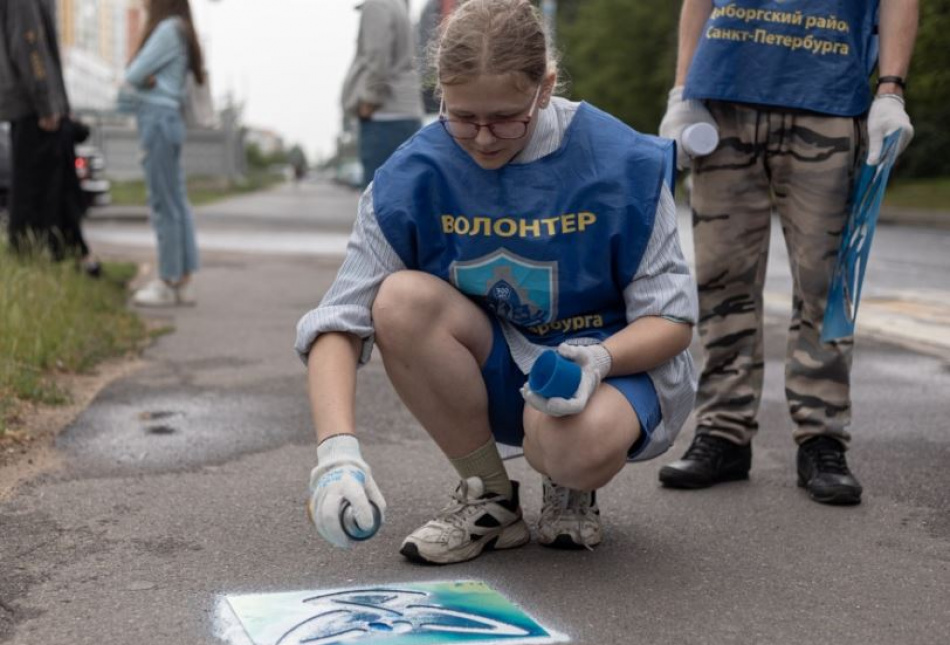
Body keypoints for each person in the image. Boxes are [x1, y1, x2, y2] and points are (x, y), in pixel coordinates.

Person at [296, 0, 697, 565]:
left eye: (507, 118)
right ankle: (489, 500)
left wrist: (598, 362)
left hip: (612, 369)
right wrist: (336, 455)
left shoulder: (623, 163)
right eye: (461, 118)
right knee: (399, 301)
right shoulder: (410, 177)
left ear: (546, 86)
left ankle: (570, 485)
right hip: (503, 366)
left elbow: (672, 320)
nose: (483, 139)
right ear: (439, 93)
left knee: (569, 446)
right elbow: (339, 320)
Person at [657, 0, 919, 505]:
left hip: (826, 97)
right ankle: (724, 432)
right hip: (724, 99)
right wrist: (681, 89)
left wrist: (891, 90)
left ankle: (822, 438)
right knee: (721, 281)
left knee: (825, 286)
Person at [0, 0, 99, 274]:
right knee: (36, 195)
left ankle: (71, 258)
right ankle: (33, 264)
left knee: (53, 189)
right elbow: (29, 43)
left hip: (37, 107)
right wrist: (46, 103)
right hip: (34, 109)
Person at [125, 0, 202, 307]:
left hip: (157, 119)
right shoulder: (180, 29)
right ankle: (181, 280)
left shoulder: (167, 29)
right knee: (176, 202)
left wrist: (146, 77)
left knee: (164, 203)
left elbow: (133, 74)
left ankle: (167, 281)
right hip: (168, 119)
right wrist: (147, 78)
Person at [341, 0, 424, 188]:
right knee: (401, 194)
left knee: (376, 200)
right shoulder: (398, 4)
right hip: (403, 112)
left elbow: (377, 56)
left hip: (384, 114)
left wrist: (369, 99)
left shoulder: (377, 4)